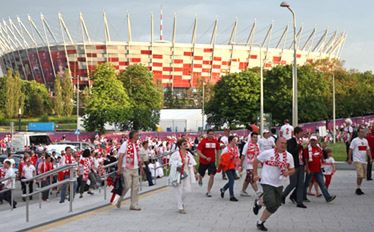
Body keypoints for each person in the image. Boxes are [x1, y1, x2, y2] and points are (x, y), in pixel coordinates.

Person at [252, 137, 295, 231]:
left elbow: (293, 169)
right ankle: (261, 201)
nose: (283, 145)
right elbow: (255, 161)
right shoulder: (268, 153)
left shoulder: (289, 156)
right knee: (271, 202)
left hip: (279, 183)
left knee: (276, 205)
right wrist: (255, 174)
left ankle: (260, 221)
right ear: (276, 143)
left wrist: (288, 173)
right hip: (267, 181)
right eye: (281, 143)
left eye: (285, 143)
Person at [303, 136, 336, 203]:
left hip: (318, 169)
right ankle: (303, 197)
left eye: (314, 140)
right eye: (311, 140)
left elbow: (321, 156)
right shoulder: (307, 149)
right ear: (310, 141)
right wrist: (307, 167)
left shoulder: (319, 148)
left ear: (316, 141)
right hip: (311, 169)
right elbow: (306, 159)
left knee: (322, 184)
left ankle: (328, 198)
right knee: (306, 184)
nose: (313, 142)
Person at [169, 138, 197, 214]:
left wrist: (195, 172)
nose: (186, 145)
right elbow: (171, 163)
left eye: (186, 143)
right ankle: (180, 207)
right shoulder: (176, 154)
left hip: (187, 173)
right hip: (178, 173)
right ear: (180, 146)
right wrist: (177, 166)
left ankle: (180, 202)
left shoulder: (188, 153)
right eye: (184, 144)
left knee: (188, 190)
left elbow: (192, 163)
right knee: (179, 190)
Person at [116, 130, 143, 210]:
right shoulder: (125, 144)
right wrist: (119, 168)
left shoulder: (136, 145)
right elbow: (120, 156)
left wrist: (141, 167)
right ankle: (119, 200)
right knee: (127, 186)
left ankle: (133, 205)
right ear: (133, 136)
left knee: (135, 187)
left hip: (135, 168)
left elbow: (138, 157)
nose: (138, 136)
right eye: (137, 135)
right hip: (127, 168)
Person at [282, 126, 307, 208]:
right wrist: (299, 146)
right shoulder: (290, 141)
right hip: (293, 165)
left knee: (301, 184)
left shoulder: (301, 141)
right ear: (296, 133)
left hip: (301, 164)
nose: (302, 134)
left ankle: (299, 202)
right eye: (300, 133)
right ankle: (283, 195)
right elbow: (291, 152)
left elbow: (302, 153)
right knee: (293, 183)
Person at [348, 126, 372, 195]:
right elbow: (350, 150)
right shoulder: (355, 140)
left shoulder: (365, 141)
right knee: (360, 175)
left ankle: (358, 188)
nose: (362, 133)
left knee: (362, 176)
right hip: (357, 160)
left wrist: (370, 158)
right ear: (358, 133)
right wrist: (349, 158)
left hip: (364, 161)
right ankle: (358, 188)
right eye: (361, 132)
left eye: (363, 132)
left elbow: (368, 150)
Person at [196, 129, 220, 197]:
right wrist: (205, 157)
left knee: (212, 175)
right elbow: (198, 151)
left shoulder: (215, 141)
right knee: (201, 175)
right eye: (210, 134)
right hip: (203, 162)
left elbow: (218, 151)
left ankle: (208, 191)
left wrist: (218, 161)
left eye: (212, 134)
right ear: (207, 134)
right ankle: (200, 178)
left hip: (212, 162)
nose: (211, 135)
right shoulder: (203, 141)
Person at [219, 135, 240, 202]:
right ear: (230, 141)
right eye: (234, 140)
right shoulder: (226, 149)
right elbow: (222, 157)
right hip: (227, 166)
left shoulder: (236, 148)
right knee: (232, 180)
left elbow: (237, 157)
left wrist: (239, 165)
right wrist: (228, 157)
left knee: (231, 180)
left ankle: (223, 189)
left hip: (233, 166)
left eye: (236, 140)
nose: (235, 141)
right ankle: (232, 196)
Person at [240, 132, 261, 197]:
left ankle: (243, 191)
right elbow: (243, 156)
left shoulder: (257, 145)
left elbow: (259, 155)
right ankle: (258, 192)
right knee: (252, 178)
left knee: (248, 178)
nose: (255, 138)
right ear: (251, 137)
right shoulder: (247, 145)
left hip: (254, 165)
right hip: (248, 165)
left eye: (256, 137)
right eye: (254, 137)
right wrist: (241, 165)